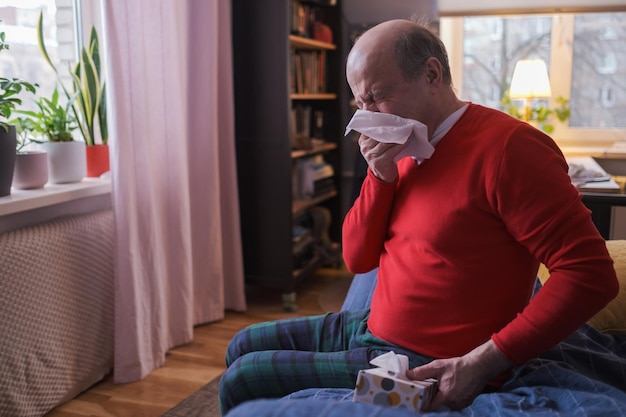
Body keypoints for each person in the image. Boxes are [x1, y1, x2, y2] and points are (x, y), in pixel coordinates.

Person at [219, 19, 619, 415]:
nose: (367, 116)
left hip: (420, 359)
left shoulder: (511, 149)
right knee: (240, 344)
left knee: (242, 378)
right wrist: (379, 175)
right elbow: (357, 259)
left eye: (376, 96)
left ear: (431, 74)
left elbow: (590, 273)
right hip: (369, 323)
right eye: (359, 103)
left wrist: (482, 362)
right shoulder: (403, 144)